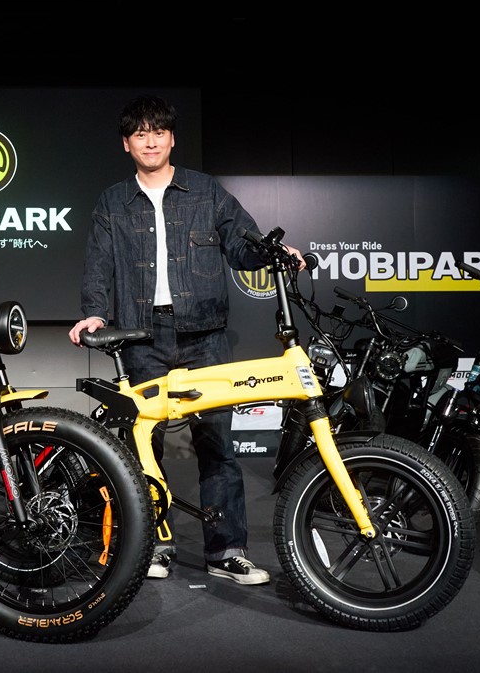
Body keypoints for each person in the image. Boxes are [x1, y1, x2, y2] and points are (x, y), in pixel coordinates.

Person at [67, 94, 303, 585]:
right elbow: (99, 264)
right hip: (142, 336)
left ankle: (227, 551)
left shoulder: (205, 190)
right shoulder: (113, 200)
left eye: (159, 132)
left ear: (172, 138)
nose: (150, 141)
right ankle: (152, 545)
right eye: (140, 134)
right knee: (143, 444)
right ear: (126, 144)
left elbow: (242, 244)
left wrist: (275, 253)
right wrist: (94, 313)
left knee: (217, 444)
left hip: (205, 335)